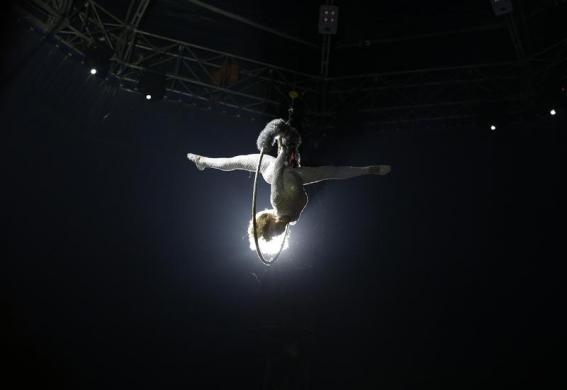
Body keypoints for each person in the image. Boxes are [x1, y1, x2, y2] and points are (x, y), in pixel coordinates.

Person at [187, 118, 391, 248]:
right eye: (277, 234)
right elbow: (318, 180)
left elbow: (276, 172)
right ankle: (368, 170)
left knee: (235, 161)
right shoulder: (293, 218)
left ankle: (202, 161)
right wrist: (289, 155)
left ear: (269, 223)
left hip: (272, 168)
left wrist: (283, 151)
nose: (279, 232)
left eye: (274, 231)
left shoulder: (277, 202)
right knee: (331, 172)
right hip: (298, 175)